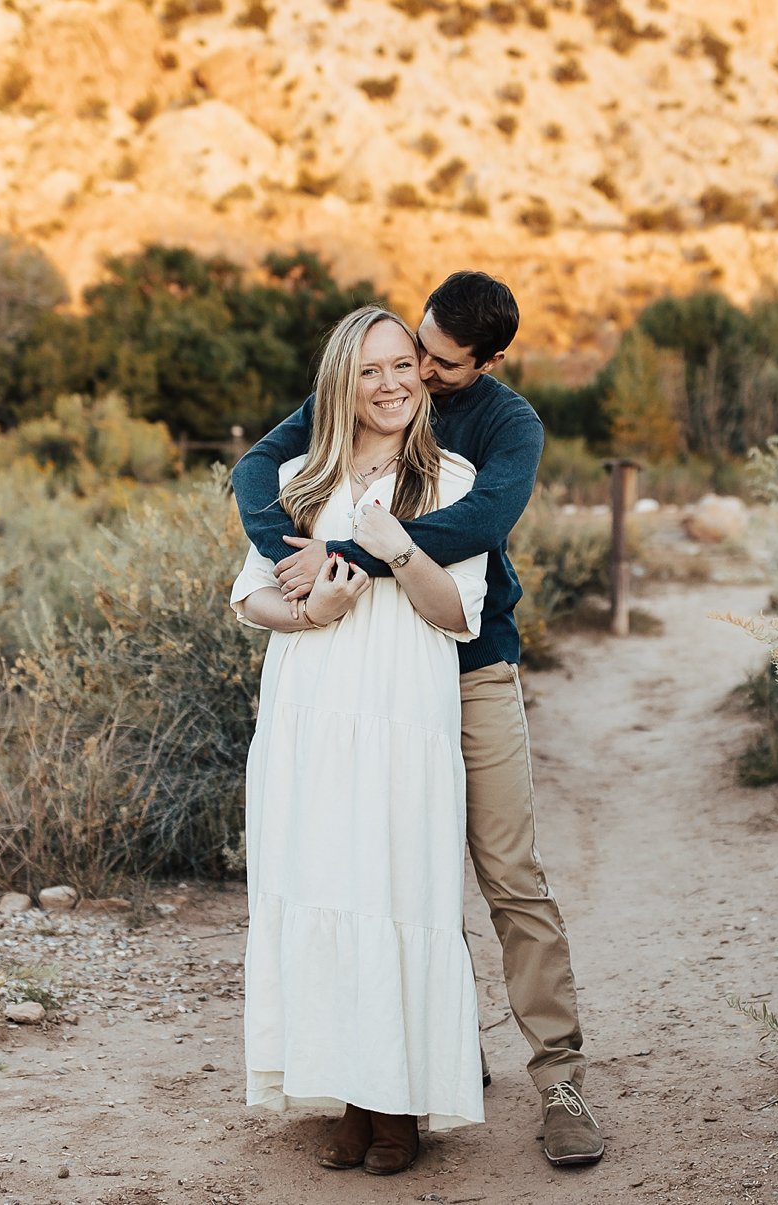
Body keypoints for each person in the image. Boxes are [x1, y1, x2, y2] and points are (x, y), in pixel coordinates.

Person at [232, 271, 604, 1169]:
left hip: (466, 669)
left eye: (436, 363)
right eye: (408, 355)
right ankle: (415, 1063)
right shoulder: (367, 385)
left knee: (506, 870)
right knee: (383, 868)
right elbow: (259, 471)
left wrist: (354, 549)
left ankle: (559, 1079)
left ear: (485, 361)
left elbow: (483, 520)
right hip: (350, 675)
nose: (416, 378)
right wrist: (284, 553)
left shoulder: (504, 428)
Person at [230, 305, 490, 1173]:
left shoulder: (452, 479)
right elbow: (251, 598)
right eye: (370, 370)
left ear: (423, 375)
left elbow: (459, 613)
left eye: (402, 367)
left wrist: (397, 549)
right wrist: (313, 613)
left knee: (394, 887)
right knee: (323, 882)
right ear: (342, 381)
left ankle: (398, 1103)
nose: (391, 385)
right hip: (310, 712)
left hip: (398, 715)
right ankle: (350, 1092)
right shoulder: (297, 477)